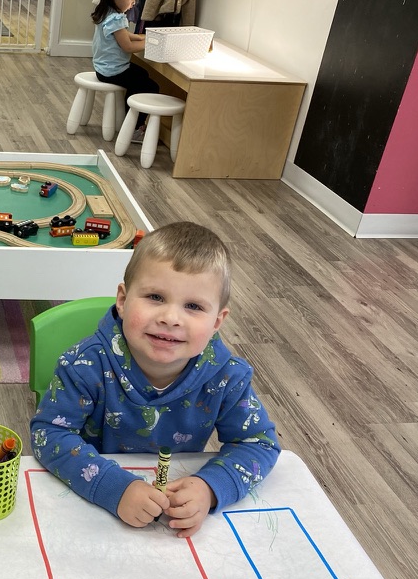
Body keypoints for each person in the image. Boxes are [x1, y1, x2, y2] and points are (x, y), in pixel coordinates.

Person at [29, 222, 280, 537]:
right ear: (123, 301)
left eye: (193, 306)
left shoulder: (228, 376)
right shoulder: (83, 365)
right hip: (89, 512)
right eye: (155, 297)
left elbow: (259, 444)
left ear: (217, 322)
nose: (170, 318)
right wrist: (113, 487)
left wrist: (210, 488)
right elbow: (49, 434)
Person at [91, 0, 161, 144]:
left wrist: (140, 37)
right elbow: (128, 47)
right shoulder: (116, 18)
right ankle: (135, 129)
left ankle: (128, 119)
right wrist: (150, 43)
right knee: (151, 87)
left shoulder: (106, 12)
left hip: (103, 68)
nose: (134, 3)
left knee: (142, 74)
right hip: (114, 71)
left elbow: (122, 34)